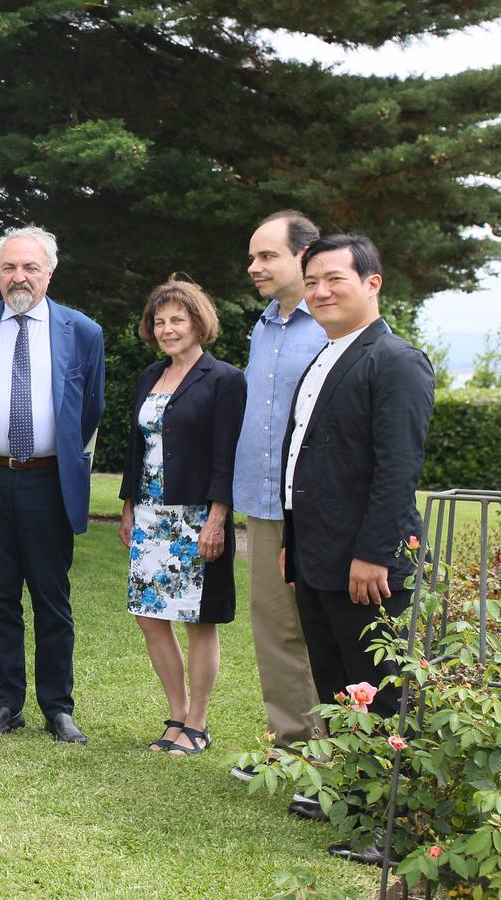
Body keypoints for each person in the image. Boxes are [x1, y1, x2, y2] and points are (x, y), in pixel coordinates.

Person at [0, 225, 104, 743]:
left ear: (50, 272)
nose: (19, 277)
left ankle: (57, 707)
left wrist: (46, 452)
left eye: (30, 267)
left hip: (46, 482)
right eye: (9, 267)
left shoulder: (81, 331)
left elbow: (90, 410)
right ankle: (6, 704)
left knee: (51, 599)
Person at [282, 234, 434, 724]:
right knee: (334, 682)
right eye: (311, 282)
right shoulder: (324, 357)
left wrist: (375, 555)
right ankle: (345, 795)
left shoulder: (396, 360)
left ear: (373, 284)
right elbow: (306, 461)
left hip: (366, 564)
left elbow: (398, 469)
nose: (320, 291)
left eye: (334, 279)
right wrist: (293, 540)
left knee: (380, 691)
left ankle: (388, 799)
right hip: (315, 554)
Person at [118, 278, 245, 756]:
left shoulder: (225, 380)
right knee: (149, 617)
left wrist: (218, 518)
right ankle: (175, 713)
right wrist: (128, 505)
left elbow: (226, 455)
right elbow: (137, 449)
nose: (168, 328)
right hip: (151, 515)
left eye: (177, 319)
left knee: (199, 622)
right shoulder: (150, 375)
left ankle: (199, 722)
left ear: (198, 322)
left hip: (196, 519)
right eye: (160, 321)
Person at [232, 210, 329, 797]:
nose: (254, 267)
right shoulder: (264, 326)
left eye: (266, 256)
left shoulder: (333, 325)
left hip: (316, 509)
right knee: (273, 630)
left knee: (317, 632)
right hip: (264, 505)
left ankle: (329, 759)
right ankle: (289, 748)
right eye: (252, 256)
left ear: (304, 256)